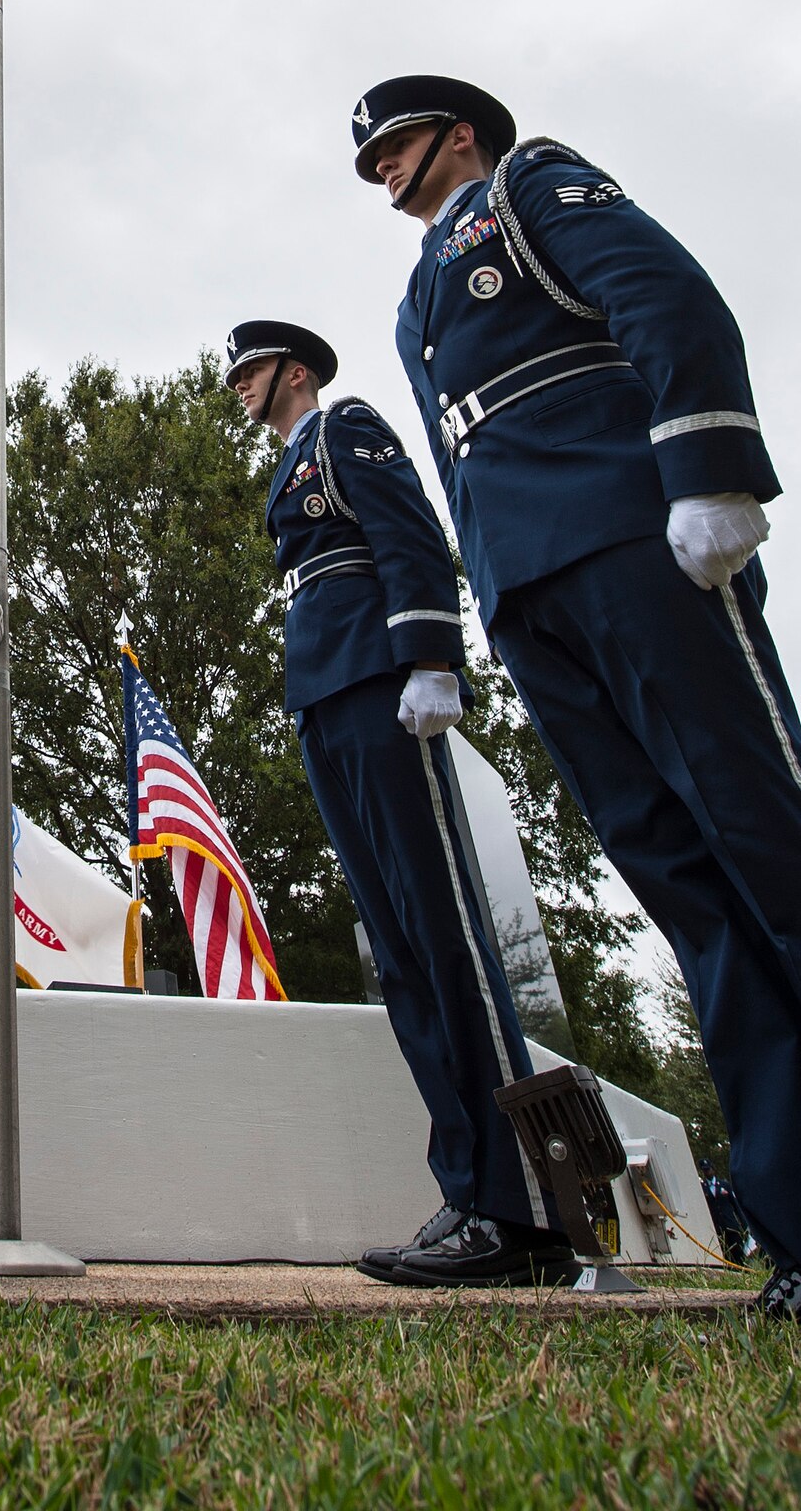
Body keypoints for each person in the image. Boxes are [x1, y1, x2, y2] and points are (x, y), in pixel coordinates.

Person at [355, 72, 801, 1321]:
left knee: (767, 845)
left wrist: (709, 463)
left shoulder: (528, 185)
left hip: (631, 541)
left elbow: (662, 291)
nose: (381, 170)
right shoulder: (416, 296)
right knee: (689, 895)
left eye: (396, 144)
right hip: (532, 590)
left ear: (458, 133)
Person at [224, 322, 570, 1287]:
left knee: (444, 935)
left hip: (382, 684)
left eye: (248, 372)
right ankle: (470, 1193)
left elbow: (409, 532)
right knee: (403, 959)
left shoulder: (345, 428)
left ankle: (525, 1206)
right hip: (325, 693)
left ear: (293, 371)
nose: (237, 388)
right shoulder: (290, 464)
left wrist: (428, 658)